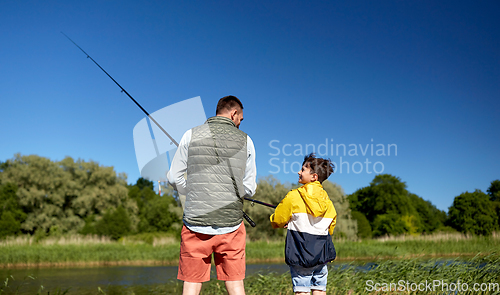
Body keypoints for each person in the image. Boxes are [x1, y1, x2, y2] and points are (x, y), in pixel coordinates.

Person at [168, 95, 257, 295]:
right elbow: (249, 188)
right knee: (235, 284)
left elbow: (174, 177)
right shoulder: (247, 141)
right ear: (234, 114)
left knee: (191, 283)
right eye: (240, 120)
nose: (239, 124)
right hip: (231, 226)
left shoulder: (190, 134)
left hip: (195, 223)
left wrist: (191, 191)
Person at [270, 153, 337, 295]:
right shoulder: (328, 202)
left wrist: (280, 221)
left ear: (314, 177)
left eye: (303, 169)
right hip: (321, 256)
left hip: (300, 254)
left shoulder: (293, 196)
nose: (299, 172)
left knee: (302, 290)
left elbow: (278, 219)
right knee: (319, 289)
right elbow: (331, 226)